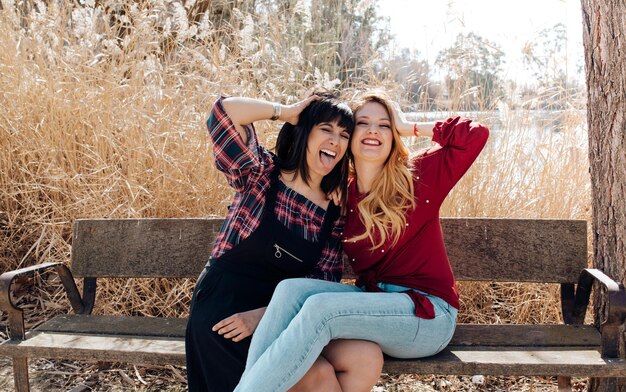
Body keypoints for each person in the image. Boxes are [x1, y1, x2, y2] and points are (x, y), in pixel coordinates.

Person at [233, 91, 490, 392]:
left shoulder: (420, 176)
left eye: (384, 125)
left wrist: (407, 126)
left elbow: (476, 135)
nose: (372, 131)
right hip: (376, 306)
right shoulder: (344, 194)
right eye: (363, 122)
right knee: (291, 289)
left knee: (320, 309)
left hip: (428, 315)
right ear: (350, 135)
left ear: (393, 135)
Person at [185, 92, 383, 392]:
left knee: (365, 358)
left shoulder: (333, 212)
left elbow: (318, 287)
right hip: (225, 310)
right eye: (325, 129)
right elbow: (222, 113)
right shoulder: (261, 174)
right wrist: (287, 112)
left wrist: (264, 316)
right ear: (304, 132)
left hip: (282, 317)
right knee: (318, 377)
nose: (335, 141)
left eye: (343, 134)